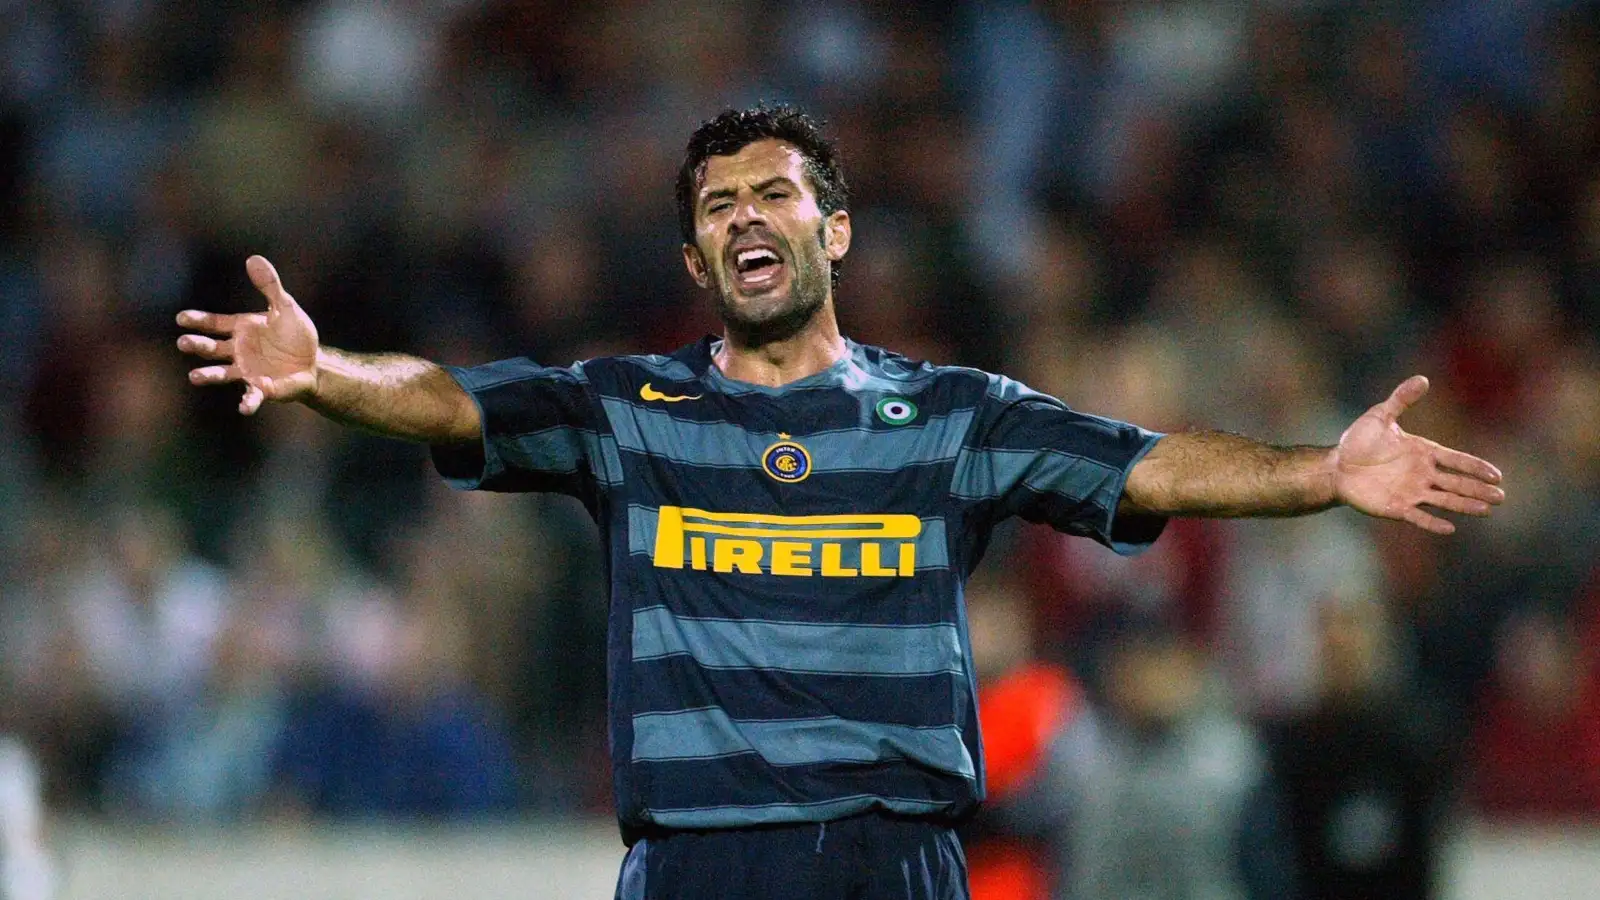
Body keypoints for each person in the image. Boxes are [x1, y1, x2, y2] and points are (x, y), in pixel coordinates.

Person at [176, 105, 1504, 900]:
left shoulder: (953, 417)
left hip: (896, 864)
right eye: (719, 206)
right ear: (699, 258)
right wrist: (325, 371)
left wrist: (1320, 475)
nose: (747, 216)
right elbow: (456, 401)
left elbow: (1145, 462)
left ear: (836, 232)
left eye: (774, 194)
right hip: (697, 865)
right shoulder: (626, 412)